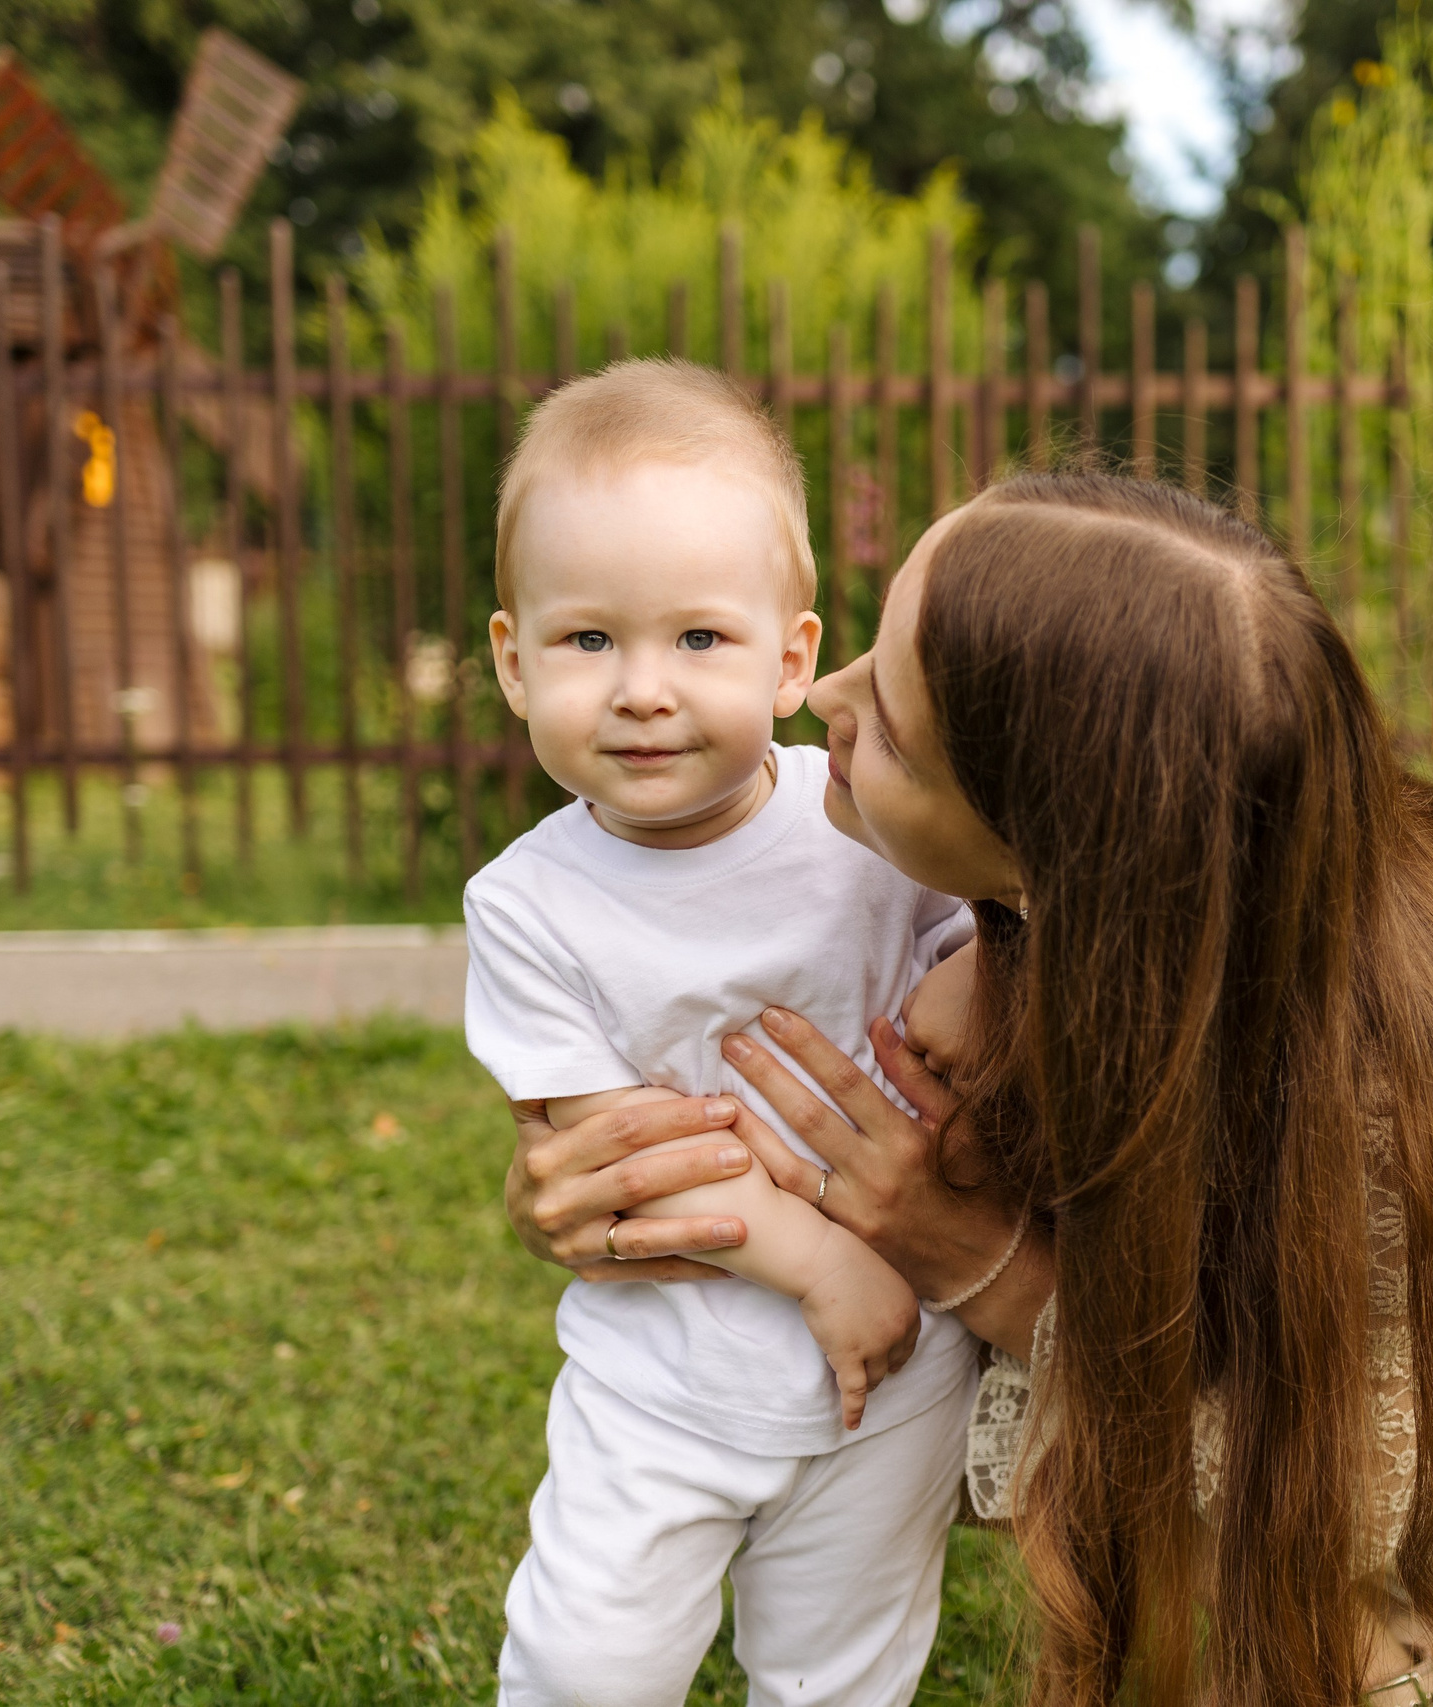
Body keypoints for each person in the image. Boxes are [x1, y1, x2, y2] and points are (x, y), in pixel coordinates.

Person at [506, 471, 1433, 1706]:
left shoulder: (1387, 1089)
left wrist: (966, 1258)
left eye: (892, 728)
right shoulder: (1101, 905)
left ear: (1057, 863)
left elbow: (1323, 1467)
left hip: (1364, 1480)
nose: (822, 697)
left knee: (1326, 1606)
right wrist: (599, 1172)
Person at [464, 358, 978, 1707]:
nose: (643, 689)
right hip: (663, 1379)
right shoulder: (528, 905)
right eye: (588, 642)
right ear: (513, 661)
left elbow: (992, 953)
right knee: (586, 1666)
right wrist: (823, 1264)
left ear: (793, 658)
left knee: (839, 1669)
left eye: (699, 639)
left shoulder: (860, 823)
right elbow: (618, 1154)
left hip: (894, 1382)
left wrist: (968, 987)